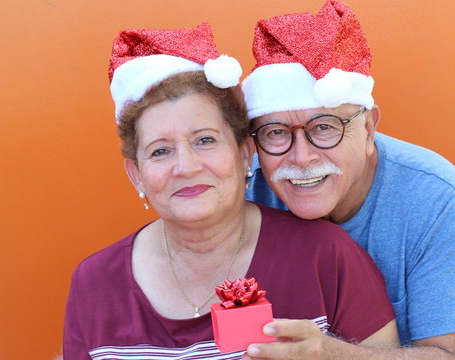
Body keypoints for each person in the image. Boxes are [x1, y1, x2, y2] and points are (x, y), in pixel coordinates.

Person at [63, 22, 399, 359]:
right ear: (137, 175)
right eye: (160, 151)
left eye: (205, 140)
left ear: (244, 155)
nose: (186, 166)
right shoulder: (94, 283)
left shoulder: (325, 257)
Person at [242, 1, 455, 359]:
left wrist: (334, 355)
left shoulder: (437, 201)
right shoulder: (244, 189)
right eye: (276, 132)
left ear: (369, 128)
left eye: (324, 127)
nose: (301, 157)